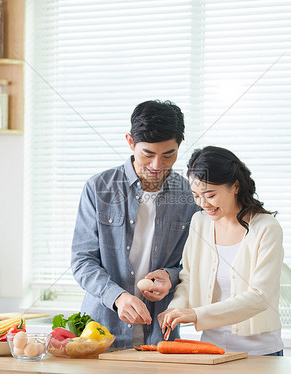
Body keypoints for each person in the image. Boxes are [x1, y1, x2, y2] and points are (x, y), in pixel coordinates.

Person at [71, 100, 200, 348]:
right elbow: (82, 261)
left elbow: (192, 266)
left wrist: (170, 277)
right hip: (101, 334)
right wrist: (117, 297)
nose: (157, 166)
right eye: (148, 154)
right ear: (131, 142)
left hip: (161, 336)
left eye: (168, 155)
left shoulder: (188, 194)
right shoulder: (98, 188)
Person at [158, 146, 285, 356]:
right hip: (211, 350)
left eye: (209, 195)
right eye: (196, 196)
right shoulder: (200, 222)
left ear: (235, 186)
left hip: (260, 353)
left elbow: (260, 296)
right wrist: (176, 308)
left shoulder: (266, 228)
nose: (203, 204)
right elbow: (189, 278)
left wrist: (195, 314)